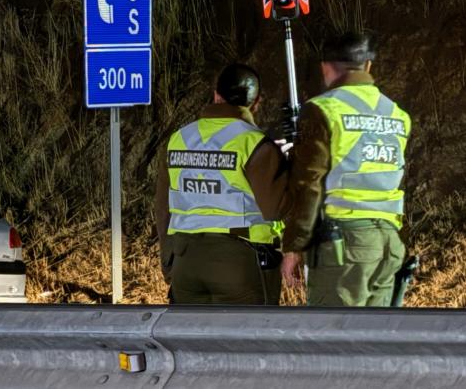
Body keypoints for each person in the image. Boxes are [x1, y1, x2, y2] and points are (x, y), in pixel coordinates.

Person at [280, 32, 411, 307]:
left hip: (345, 245)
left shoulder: (324, 110)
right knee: (373, 340)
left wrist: (293, 245)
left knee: (334, 339)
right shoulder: (397, 114)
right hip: (389, 242)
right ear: (368, 66)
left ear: (326, 67)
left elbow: (309, 185)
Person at [155, 64, 289, 304]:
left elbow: (163, 208)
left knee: (191, 340)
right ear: (256, 102)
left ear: (216, 94)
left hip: (186, 260)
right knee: (245, 339)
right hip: (240, 263)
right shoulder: (255, 143)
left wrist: (168, 261)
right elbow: (276, 209)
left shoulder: (179, 139)